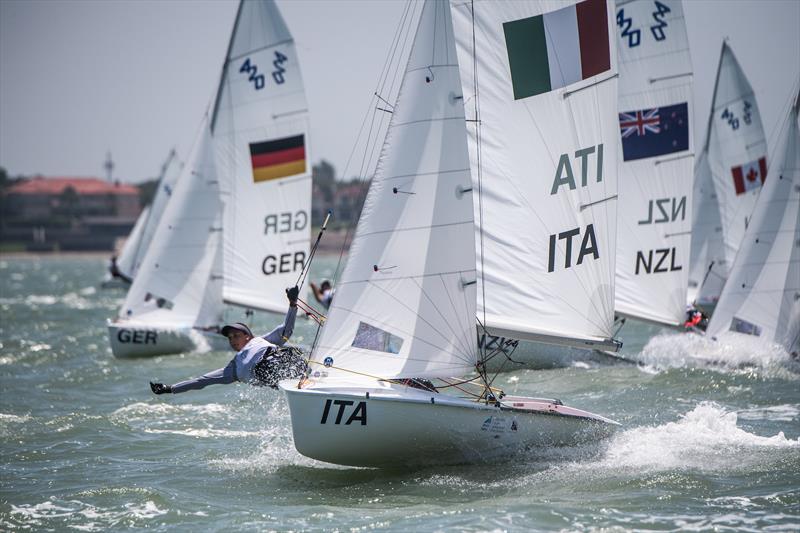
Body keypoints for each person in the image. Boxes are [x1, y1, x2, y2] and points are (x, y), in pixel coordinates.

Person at [149, 286, 307, 395]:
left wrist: (293, 304)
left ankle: (313, 375)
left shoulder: (261, 340)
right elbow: (201, 381)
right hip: (271, 375)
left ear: (248, 336)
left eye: (236, 335)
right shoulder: (232, 369)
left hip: (283, 361)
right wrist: (170, 388)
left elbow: (287, 329)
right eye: (230, 338)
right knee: (268, 367)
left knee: (293, 355)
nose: (232, 340)